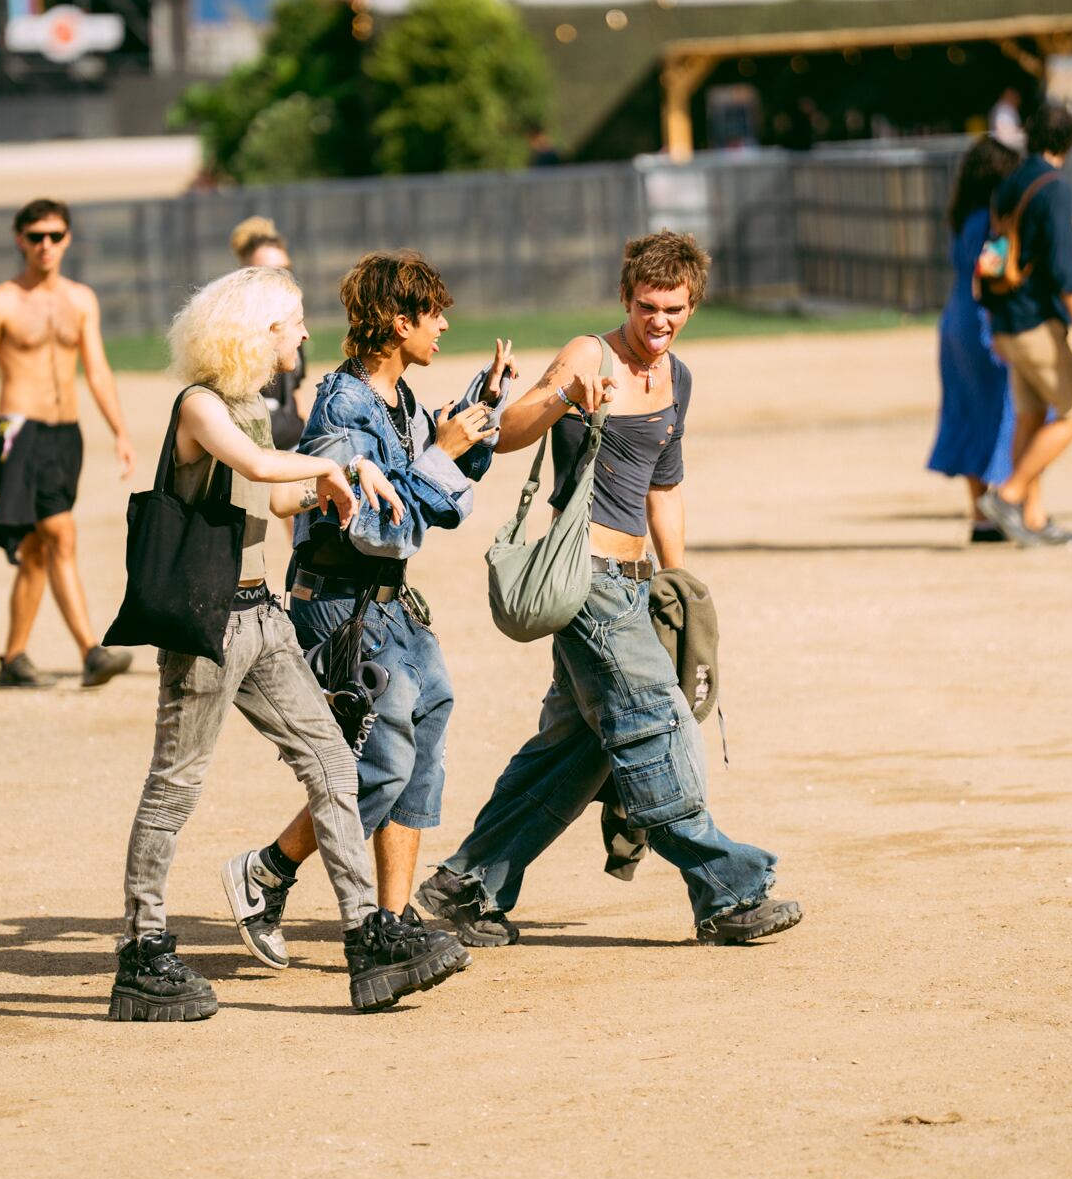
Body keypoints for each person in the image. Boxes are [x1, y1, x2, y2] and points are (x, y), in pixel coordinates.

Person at [418, 231, 803, 948]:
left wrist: (674, 583)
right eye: (648, 306)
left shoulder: (677, 377)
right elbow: (505, 434)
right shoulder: (589, 355)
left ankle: (467, 885)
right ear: (627, 298)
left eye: (674, 308)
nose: (660, 320)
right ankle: (726, 891)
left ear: (692, 306)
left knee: (573, 752)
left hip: (634, 583)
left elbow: (665, 485)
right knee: (653, 724)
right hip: (586, 579)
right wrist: (566, 394)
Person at [113, 265, 470, 1021]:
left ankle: (367, 938)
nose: (306, 333)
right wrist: (344, 463)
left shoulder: (248, 405)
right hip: (207, 625)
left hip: (262, 617)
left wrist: (323, 487)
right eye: (294, 320)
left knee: (335, 763)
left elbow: (274, 493)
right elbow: (256, 464)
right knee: (174, 785)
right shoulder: (201, 406)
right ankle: (142, 952)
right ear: (260, 330)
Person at [220, 251, 516, 969]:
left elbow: (438, 501)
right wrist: (441, 454)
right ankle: (267, 871)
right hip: (339, 604)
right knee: (380, 761)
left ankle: (391, 914)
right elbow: (376, 524)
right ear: (397, 320)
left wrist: (479, 411)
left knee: (427, 732)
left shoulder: (400, 400)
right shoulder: (343, 406)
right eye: (432, 313)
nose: (444, 325)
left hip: (389, 603)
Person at [0, 198, 136, 690]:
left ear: (67, 239)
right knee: (60, 533)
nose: (45, 245)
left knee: (35, 549)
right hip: (19, 431)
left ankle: (13, 659)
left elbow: (97, 370)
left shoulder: (81, 300)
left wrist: (120, 431)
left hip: (64, 435)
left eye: (54, 236)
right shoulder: (0, 302)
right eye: (35, 237)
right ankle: (91, 652)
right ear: (20, 240)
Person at [977, 104, 1072, 547]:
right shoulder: (1054, 186)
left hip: (1006, 318)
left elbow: (993, 253)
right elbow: (1061, 265)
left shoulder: (1008, 183)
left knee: (1031, 417)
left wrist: (994, 320)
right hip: (1036, 321)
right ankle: (1009, 496)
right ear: (1069, 141)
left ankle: (1032, 518)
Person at [926, 136, 1021, 543]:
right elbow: (993, 269)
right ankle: (1012, 503)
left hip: (954, 320)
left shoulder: (961, 217)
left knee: (968, 413)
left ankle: (981, 515)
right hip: (983, 319)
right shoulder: (992, 220)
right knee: (1005, 413)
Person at [230, 217, 307, 451]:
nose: (281, 278)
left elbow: (295, 390)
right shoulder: (233, 335)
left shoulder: (291, 326)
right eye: (268, 272)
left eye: (285, 270)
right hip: (261, 451)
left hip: (293, 444)